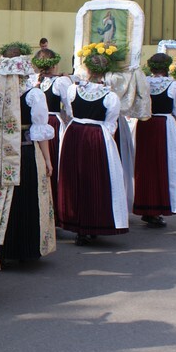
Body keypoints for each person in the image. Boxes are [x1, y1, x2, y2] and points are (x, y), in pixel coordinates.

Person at [0, 43, 55, 263]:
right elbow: (39, 130)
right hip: (25, 153)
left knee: (0, 198)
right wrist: (48, 160)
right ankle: (26, 248)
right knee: (26, 198)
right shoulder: (33, 93)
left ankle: (0, 247)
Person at [56, 48, 127, 245]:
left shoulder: (74, 89)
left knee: (75, 177)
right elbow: (110, 123)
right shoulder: (110, 96)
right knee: (96, 178)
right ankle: (93, 222)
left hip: (75, 132)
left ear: (87, 69)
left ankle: (78, 224)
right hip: (97, 135)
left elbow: (70, 111)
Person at [132, 54, 176, 228]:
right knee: (163, 165)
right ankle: (157, 208)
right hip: (163, 125)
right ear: (167, 67)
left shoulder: (144, 82)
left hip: (145, 124)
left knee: (145, 165)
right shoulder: (174, 85)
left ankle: (146, 206)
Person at [32, 47, 70, 198]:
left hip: (35, 125)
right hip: (52, 123)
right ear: (54, 65)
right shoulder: (60, 82)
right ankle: (54, 196)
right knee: (54, 158)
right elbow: (69, 108)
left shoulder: (33, 80)